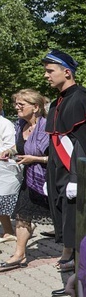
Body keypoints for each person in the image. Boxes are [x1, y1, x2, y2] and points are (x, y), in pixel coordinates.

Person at [42, 49, 86, 273]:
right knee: (64, 218)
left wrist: (77, 178)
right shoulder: (57, 102)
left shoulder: (80, 100)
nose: (46, 75)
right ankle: (73, 264)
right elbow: (57, 141)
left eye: (50, 71)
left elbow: (84, 143)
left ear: (66, 72)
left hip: (73, 173)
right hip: (59, 172)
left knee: (77, 220)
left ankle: (82, 272)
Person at [0, 89, 50, 272]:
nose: (16, 107)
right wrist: (11, 151)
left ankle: (70, 253)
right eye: (16, 104)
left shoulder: (48, 128)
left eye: (21, 104)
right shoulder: (21, 125)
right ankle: (18, 254)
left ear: (36, 107)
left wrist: (34, 159)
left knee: (62, 219)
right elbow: (19, 145)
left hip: (49, 180)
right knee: (22, 215)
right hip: (30, 179)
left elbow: (57, 158)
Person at [0, 97, 20, 243]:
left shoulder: (5, 124)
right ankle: (7, 231)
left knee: (4, 201)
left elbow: (10, 146)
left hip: (4, 168)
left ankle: (9, 231)